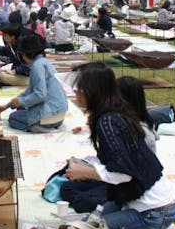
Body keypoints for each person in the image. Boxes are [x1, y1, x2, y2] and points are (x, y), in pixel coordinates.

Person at [64, 62, 175, 229]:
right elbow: (116, 159)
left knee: (83, 228)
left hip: (154, 210)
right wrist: (86, 166)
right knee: (85, 222)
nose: (76, 94)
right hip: (139, 201)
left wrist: (85, 172)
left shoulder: (108, 120)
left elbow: (124, 173)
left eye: (79, 89)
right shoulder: (112, 115)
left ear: (92, 91)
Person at [61, 75, 158, 213]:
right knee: (66, 187)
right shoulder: (116, 120)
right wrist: (86, 165)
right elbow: (112, 159)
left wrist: (88, 172)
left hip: (131, 184)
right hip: (114, 175)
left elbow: (126, 172)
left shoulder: (138, 128)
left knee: (82, 201)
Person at [0, 34, 68, 133]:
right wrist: (8, 105)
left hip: (50, 116)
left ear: (29, 54)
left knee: (13, 118)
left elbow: (40, 94)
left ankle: (40, 128)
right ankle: (42, 125)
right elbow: (30, 91)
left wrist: (21, 102)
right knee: (20, 110)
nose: (23, 58)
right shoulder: (44, 62)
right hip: (60, 114)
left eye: (23, 54)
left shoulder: (37, 66)